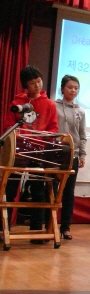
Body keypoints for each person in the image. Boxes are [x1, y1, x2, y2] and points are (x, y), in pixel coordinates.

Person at [3, 65, 58, 242]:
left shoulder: (49, 104)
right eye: (33, 83)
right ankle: (4, 229)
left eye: (39, 81)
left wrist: (44, 140)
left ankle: (37, 230)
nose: (37, 85)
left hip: (38, 152)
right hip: (18, 152)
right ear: (25, 85)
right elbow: (7, 127)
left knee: (38, 191)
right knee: (10, 189)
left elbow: (53, 128)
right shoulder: (16, 104)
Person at [55, 75, 87, 240]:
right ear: (62, 89)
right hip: (54, 153)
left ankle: (65, 227)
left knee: (69, 192)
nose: (73, 90)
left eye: (76, 88)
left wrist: (82, 154)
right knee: (52, 189)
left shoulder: (80, 111)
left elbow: (82, 135)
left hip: (72, 155)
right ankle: (49, 224)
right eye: (70, 87)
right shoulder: (54, 106)